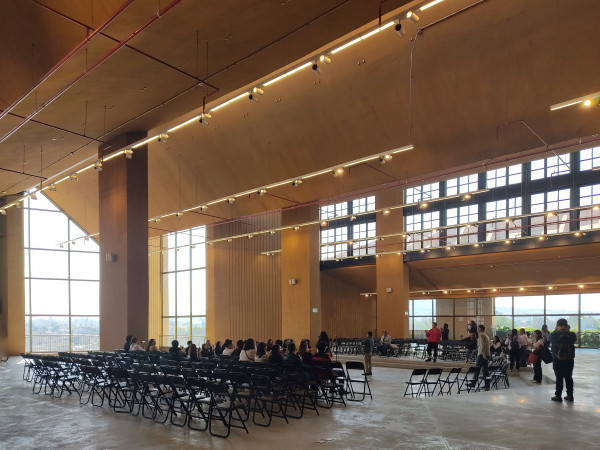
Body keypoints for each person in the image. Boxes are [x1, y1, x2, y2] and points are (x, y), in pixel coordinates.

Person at [549, 318, 577, 402]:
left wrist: (555, 330)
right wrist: (568, 330)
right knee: (569, 377)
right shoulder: (572, 335)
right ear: (567, 325)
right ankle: (570, 395)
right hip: (569, 359)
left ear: (557, 326)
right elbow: (574, 340)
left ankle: (558, 396)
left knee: (559, 377)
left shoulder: (554, 335)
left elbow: (549, 338)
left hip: (557, 359)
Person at [476, 325, 491, 389]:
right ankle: (487, 385)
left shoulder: (481, 335)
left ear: (480, 329)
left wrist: (483, 354)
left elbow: (482, 345)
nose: (477, 329)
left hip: (482, 354)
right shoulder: (486, 335)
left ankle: (473, 383)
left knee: (477, 368)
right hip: (487, 353)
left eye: (477, 328)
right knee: (485, 370)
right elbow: (489, 344)